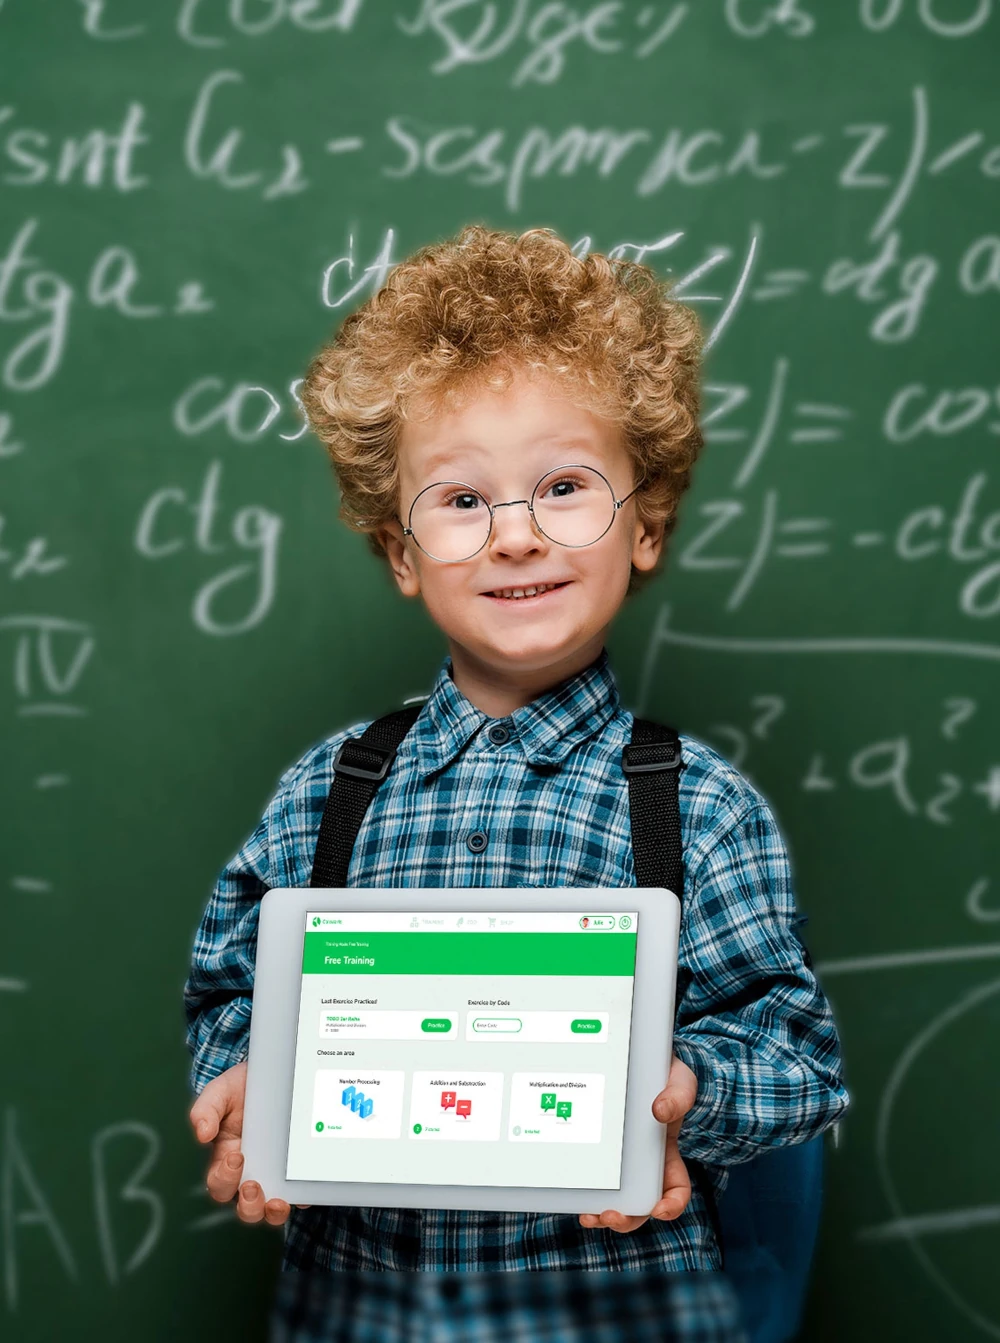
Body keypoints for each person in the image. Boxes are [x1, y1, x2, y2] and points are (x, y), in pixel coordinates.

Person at [184, 225, 848, 1288]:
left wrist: (689, 1087)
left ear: (647, 525)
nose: (516, 534)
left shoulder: (703, 810)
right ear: (401, 551)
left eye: (565, 486)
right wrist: (247, 1074)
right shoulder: (326, 794)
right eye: (459, 499)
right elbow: (231, 986)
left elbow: (792, 1059)